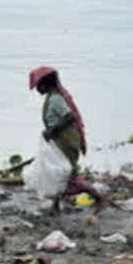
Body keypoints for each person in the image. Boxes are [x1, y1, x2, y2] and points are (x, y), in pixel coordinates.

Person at [28, 66, 106, 213]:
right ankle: (56, 204)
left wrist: (52, 130)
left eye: (38, 85)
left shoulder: (56, 99)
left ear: (46, 84)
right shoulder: (52, 97)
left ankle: (98, 197)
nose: (37, 89)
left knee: (66, 174)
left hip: (66, 141)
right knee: (59, 172)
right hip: (60, 141)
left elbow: (70, 117)